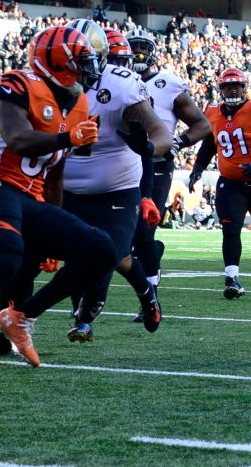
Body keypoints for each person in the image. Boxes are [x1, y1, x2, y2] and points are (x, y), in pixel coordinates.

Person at [0, 26, 116, 386]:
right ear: (58, 60)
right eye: (83, 59)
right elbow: (17, 140)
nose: (90, 67)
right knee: (8, 259)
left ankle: (22, 316)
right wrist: (68, 136)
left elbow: (56, 172)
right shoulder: (19, 83)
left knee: (101, 249)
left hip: (31, 198)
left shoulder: (78, 103)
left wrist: (55, 223)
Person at [53, 22, 171, 343]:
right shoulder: (48, 84)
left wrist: (149, 149)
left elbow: (158, 132)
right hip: (70, 186)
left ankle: (144, 294)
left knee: (113, 254)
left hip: (117, 186)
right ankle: (82, 319)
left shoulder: (121, 84)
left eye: (83, 58)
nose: (76, 67)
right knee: (76, 253)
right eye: (69, 58)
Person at [126, 28, 211, 321]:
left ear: (152, 51)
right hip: (121, 164)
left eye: (141, 47)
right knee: (124, 238)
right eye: (132, 47)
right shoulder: (117, 81)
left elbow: (202, 124)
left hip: (158, 164)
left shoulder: (168, 83)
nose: (137, 53)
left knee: (143, 231)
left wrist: (178, 141)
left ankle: (150, 297)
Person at [188, 67, 251, 298]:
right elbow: (209, 145)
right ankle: (232, 278)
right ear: (221, 90)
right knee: (229, 228)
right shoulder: (212, 112)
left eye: (237, 86)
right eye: (228, 86)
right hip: (230, 183)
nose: (233, 90)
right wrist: (198, 169)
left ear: (245, 88)